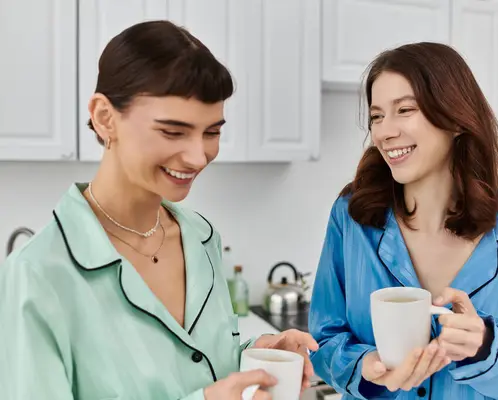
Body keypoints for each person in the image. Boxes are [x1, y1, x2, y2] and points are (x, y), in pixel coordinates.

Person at [0, 20, 317, 400]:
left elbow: (195, 366)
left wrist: (256, 356)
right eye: (173, 131)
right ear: (104, 117)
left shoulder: (201, 237)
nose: (199, 156)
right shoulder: (38, 276)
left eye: (212, 132)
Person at [308, 42, 498, 399]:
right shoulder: (352, 219)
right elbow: (324, 341)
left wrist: (487, 350)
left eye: (405, 110)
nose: (384, 132)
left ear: (456, 118)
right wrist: (364, 368)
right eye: (377, 116)